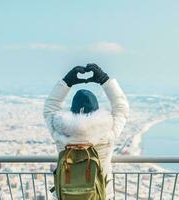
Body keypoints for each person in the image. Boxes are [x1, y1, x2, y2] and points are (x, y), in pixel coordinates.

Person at [43, 63, 129, 199]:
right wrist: (105, 80)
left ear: (72, 110)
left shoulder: (61, 132)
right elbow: (121, 108)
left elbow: (49, 108)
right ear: (97, 109)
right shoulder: (107, 133)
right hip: (101, 194)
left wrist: (66, 82)